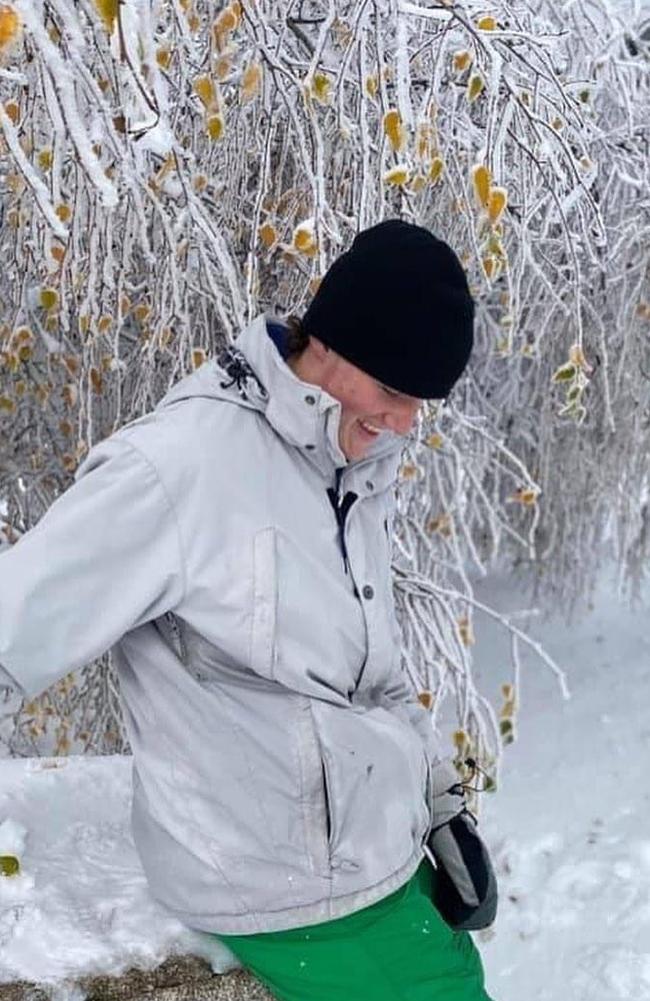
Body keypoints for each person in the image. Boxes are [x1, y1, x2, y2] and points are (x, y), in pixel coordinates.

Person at [0, 219, 494, 1000]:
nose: (405, 423)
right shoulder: (180, 465)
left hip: (374, 855)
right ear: (328, 345)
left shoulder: (349, 459)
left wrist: (441, 807)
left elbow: (375, 673)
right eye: (395, 392)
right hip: (276, 884)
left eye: (421, 402)